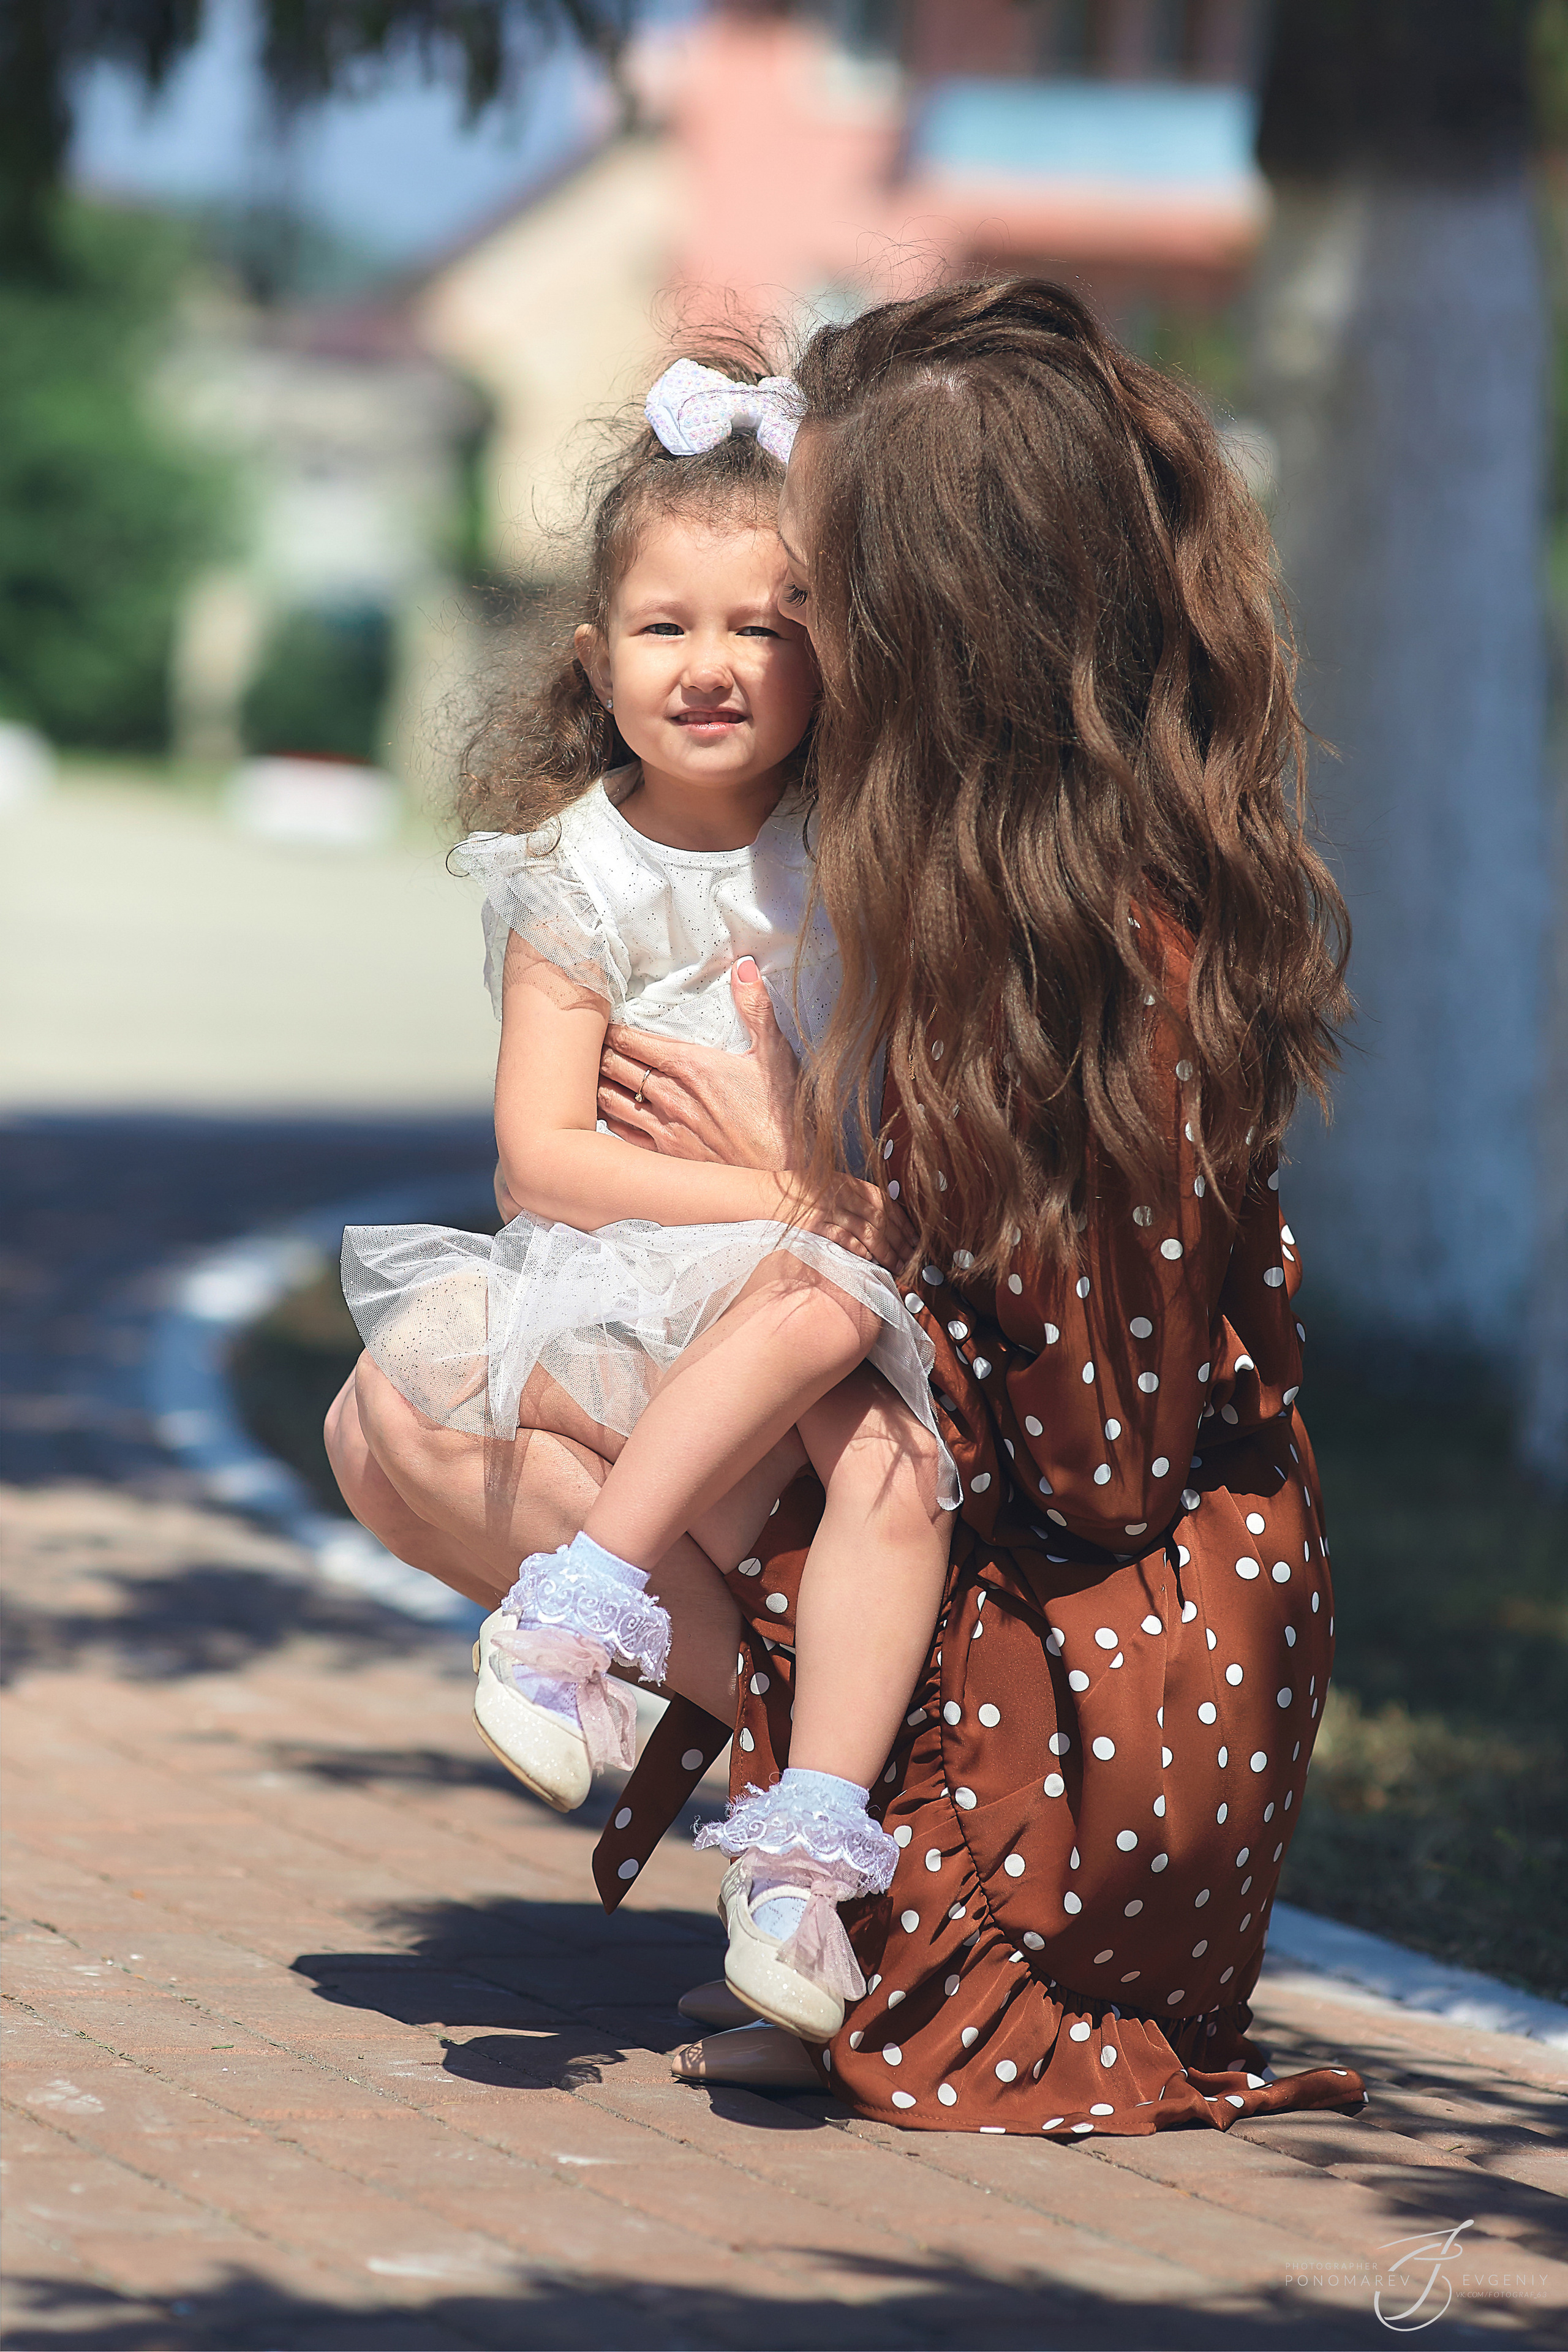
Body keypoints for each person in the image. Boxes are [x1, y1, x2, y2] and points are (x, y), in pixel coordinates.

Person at [333, 277, 1369, 2139]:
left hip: (1109, 1681)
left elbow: (1099, 1461)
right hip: (965, 1529)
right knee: (407, 1416)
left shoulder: (1105, 933)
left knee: (455, 1428)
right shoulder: (884, 854)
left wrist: (815, 1186)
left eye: (808, 593)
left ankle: (847, 1849)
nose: (753, 649)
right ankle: (807, 1839)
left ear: (928, 617)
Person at [331, 353, 957, 2045]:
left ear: (827, 653)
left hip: (829, 1275)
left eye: (764, 626)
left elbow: (892, 1109)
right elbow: (538, 1155)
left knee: (898, 1469)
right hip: (638, 1277)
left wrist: (807, 1195)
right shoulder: (569, 877)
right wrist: (774, 1189)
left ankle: (808, 1857)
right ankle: (586, 1607)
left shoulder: (863, 854)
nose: (714, 666)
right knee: (803, 1305)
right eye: (668, 628)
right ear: (595, 661)